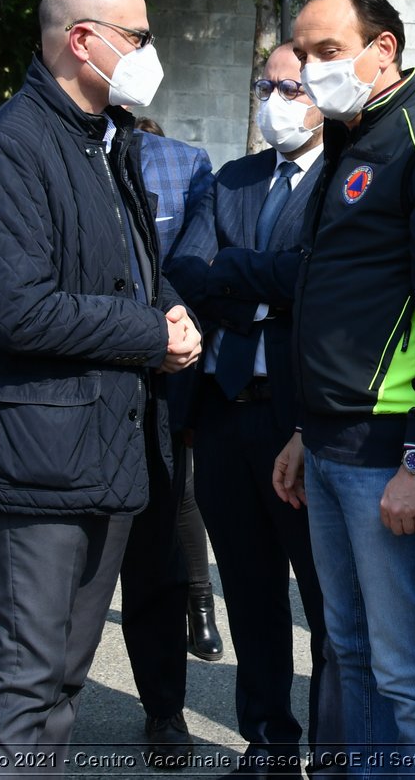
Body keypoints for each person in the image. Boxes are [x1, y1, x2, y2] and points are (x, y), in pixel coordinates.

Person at [225, 0, 415, 776]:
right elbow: (344, 309)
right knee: (349, 646)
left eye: (326, 51)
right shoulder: (352, 143)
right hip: (333, 443)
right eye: (302, 53)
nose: (308, 70)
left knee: (405, 664)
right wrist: (307, 428)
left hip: (390, 453)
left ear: (385, 49)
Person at [0, 0, 203, 775]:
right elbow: (15, 309)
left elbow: (133, 267)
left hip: (108, 446)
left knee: (63, 676)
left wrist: (171, 310)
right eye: (139, 35)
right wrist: (149, 332)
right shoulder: (8, 150)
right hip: (40, 456)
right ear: (81, 41)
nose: (149, 53)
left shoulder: (108, 139)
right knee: (26, 672)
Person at [165, 42, 334, 779]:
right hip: (229, 410)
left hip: (305, 420)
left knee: (329, 605)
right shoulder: (231, 178)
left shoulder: (348, 180)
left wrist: (242, 274)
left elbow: (322, 281)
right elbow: (187, 272)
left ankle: (336, 750)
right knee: (251, 591)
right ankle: (268, 744)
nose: (277, 100)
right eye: (267, 85)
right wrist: (266, 283)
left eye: (292, 87)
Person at [112, 114, 217, 765]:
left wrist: (175, 322)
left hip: (159, 391)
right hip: (75, 394)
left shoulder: (179, 164)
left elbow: (181, 268)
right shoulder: (31, 152)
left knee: (156, 559)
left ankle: (164, 710)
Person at [133, 115, 225, 669]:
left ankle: (200, 605)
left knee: (180, 488)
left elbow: (194, 264)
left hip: (176, 347)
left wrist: (173, 325)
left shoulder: (186, 166)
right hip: (112, 347)